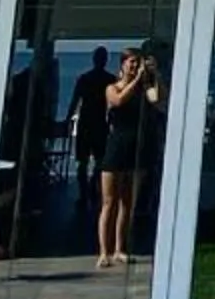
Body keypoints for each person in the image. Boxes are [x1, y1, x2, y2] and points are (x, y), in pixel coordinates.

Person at [97, 44, 161, 269]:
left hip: (136, 147)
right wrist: (136, 80)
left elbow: (156, 99)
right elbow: (119, 101)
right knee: (109, 202)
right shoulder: (111, 87)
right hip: (116, 147)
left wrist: (154, 76)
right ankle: (104, 251)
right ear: (123, 64)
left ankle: (120, 248)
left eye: (138, 62)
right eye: (131, 62)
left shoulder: (144, 88)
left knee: (127, 203)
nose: (135, 66)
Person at [69, 49, 114, 265]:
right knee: (96, 162)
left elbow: (74, 100)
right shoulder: (109, 79)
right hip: (97, 124)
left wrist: (68, 119)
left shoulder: (85, 79)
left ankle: (85, 192)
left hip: (89, 123)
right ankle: (91, 189)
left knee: (84, 161)